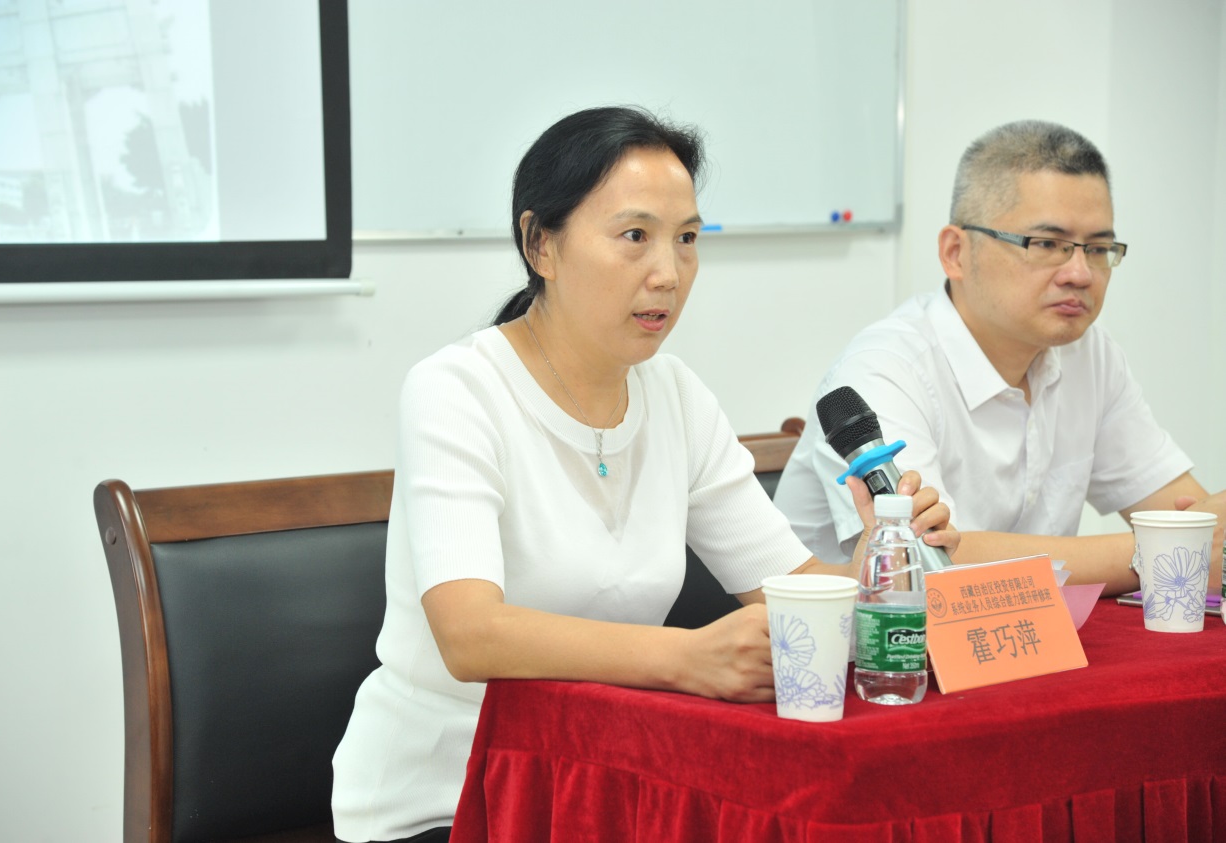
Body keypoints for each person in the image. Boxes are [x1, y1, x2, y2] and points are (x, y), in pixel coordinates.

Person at [330, 106, 955, 843]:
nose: (668, 273)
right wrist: (687, 658)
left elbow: (787, 586)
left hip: (606, 790)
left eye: (686, 239)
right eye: (635, 237)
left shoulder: (676, 395)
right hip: (448, 800)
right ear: (540, 244)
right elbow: (471, 635)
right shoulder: (456, 390)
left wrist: (877, 567)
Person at [773, 119, 1224, 596]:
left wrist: (1193, 538)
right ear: (956, 252)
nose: (1080, 274)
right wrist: (1166, 551)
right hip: (868, 639)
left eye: (1098, 249)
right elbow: (928, 562)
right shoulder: (882, 370)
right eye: (1046, 244)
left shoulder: (1089, 354)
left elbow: (1191, 516)